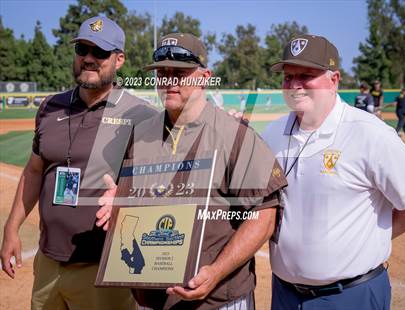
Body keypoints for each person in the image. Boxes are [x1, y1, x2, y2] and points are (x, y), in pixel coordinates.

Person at [99, 32, 288, 309]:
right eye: (162, 72)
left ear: (204, 76)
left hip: (216, 299)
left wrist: (216, 272)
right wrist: (122, 199)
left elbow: (264, 216)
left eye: (180, 72)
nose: (169, 81)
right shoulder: (141, 133)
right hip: (149, 298)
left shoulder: (234, 135)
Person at [0, 15, 157, 310]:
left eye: (99, 52)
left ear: (119, 59)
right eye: (82, 49)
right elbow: (34, 171)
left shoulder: (140, 115)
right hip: (47, 265)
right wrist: (11, 228)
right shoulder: (50, 106)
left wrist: (126, 197)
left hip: (103, 270)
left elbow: (158, 186)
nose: (89, 58)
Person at [263, 34, 405, 310]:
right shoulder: (272, 133)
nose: (295, 85)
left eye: (306, 75)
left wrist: (374, 236)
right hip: (284, 294)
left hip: (350, 296)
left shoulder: (371, 134)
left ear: (333, 80)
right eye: (288, 77)